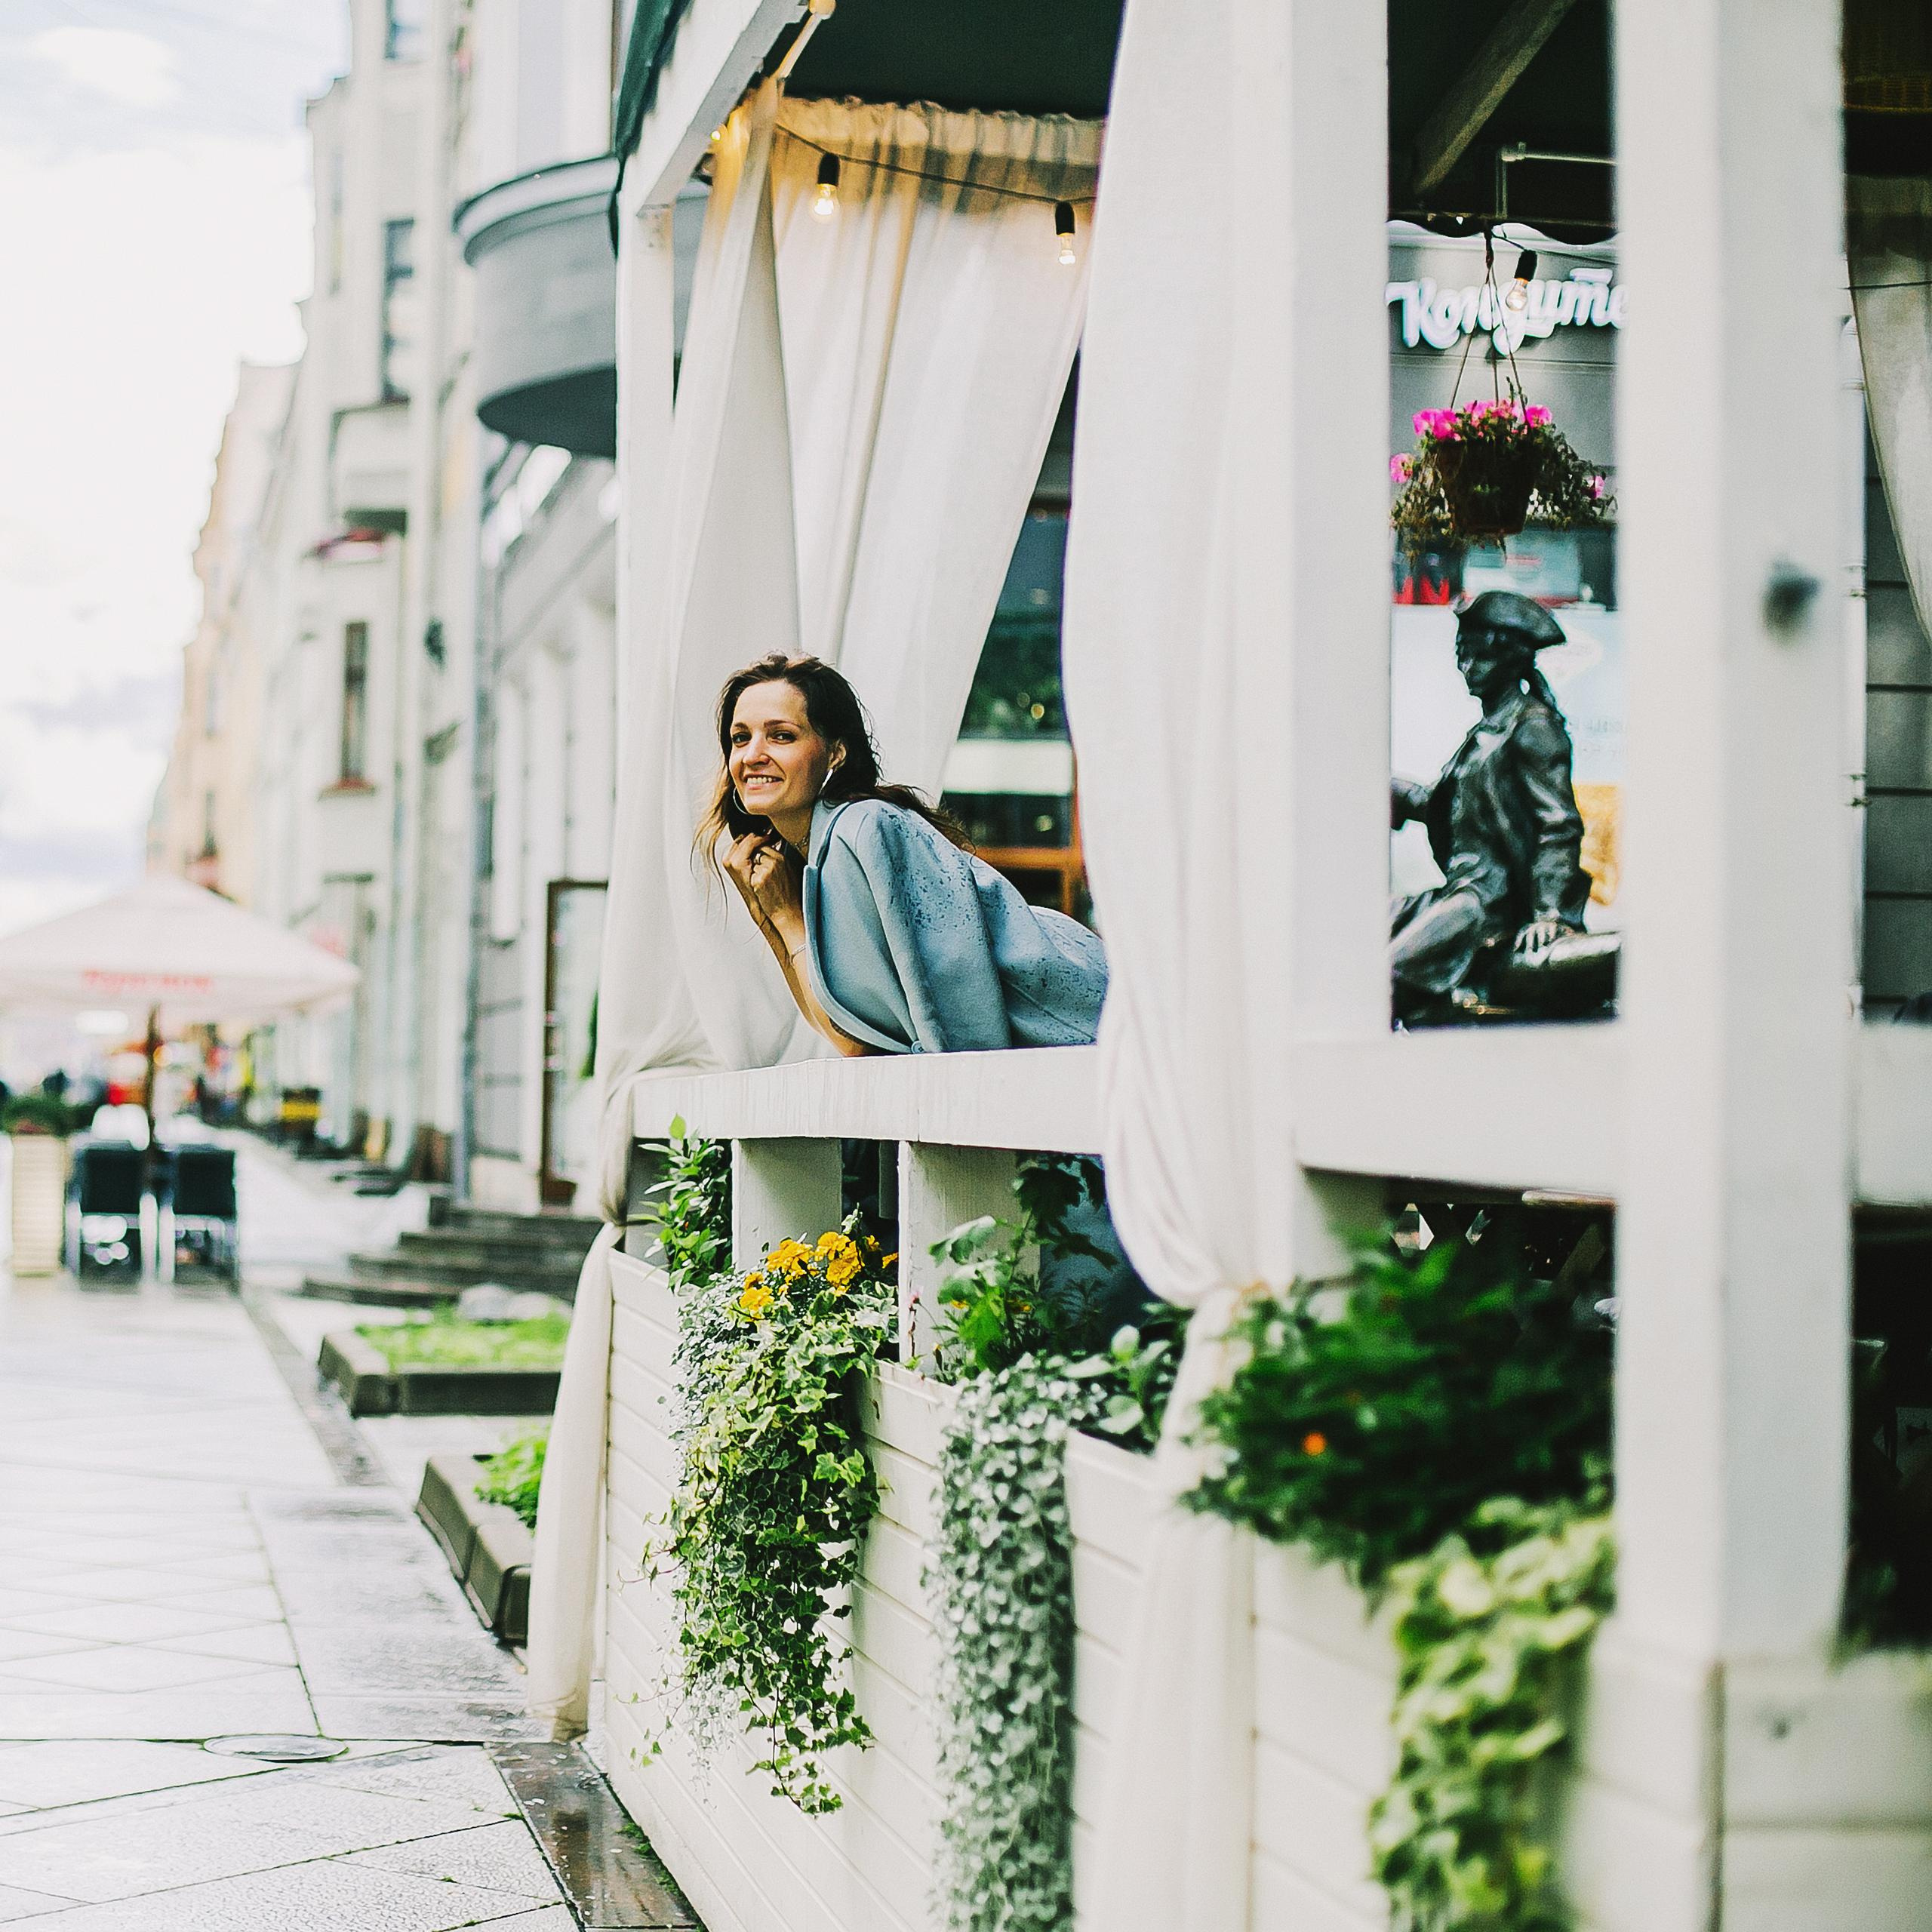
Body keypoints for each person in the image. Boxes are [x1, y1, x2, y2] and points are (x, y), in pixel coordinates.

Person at [700, 653, 1107, 1056]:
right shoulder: (822, 850)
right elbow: (847, 1026)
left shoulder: (860, 829)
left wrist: (786, 916)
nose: (752, 755)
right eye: (741, 738)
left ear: (835, 754)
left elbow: (854, 1043)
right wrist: (766, 913)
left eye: (781, 736)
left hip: (1083, 1022)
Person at [1390, 590, 1592, 1017]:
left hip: (1485, 908)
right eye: (1462, 655)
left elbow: (1559, 827)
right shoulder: (1485, 734)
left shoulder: (1533, 729)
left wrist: (1551, 914)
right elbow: (1467, 816)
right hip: (1455, 895)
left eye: (1479, 657)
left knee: (1386, 978)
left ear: (1511, 661)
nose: (1467, 668)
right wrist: (1405, 796)